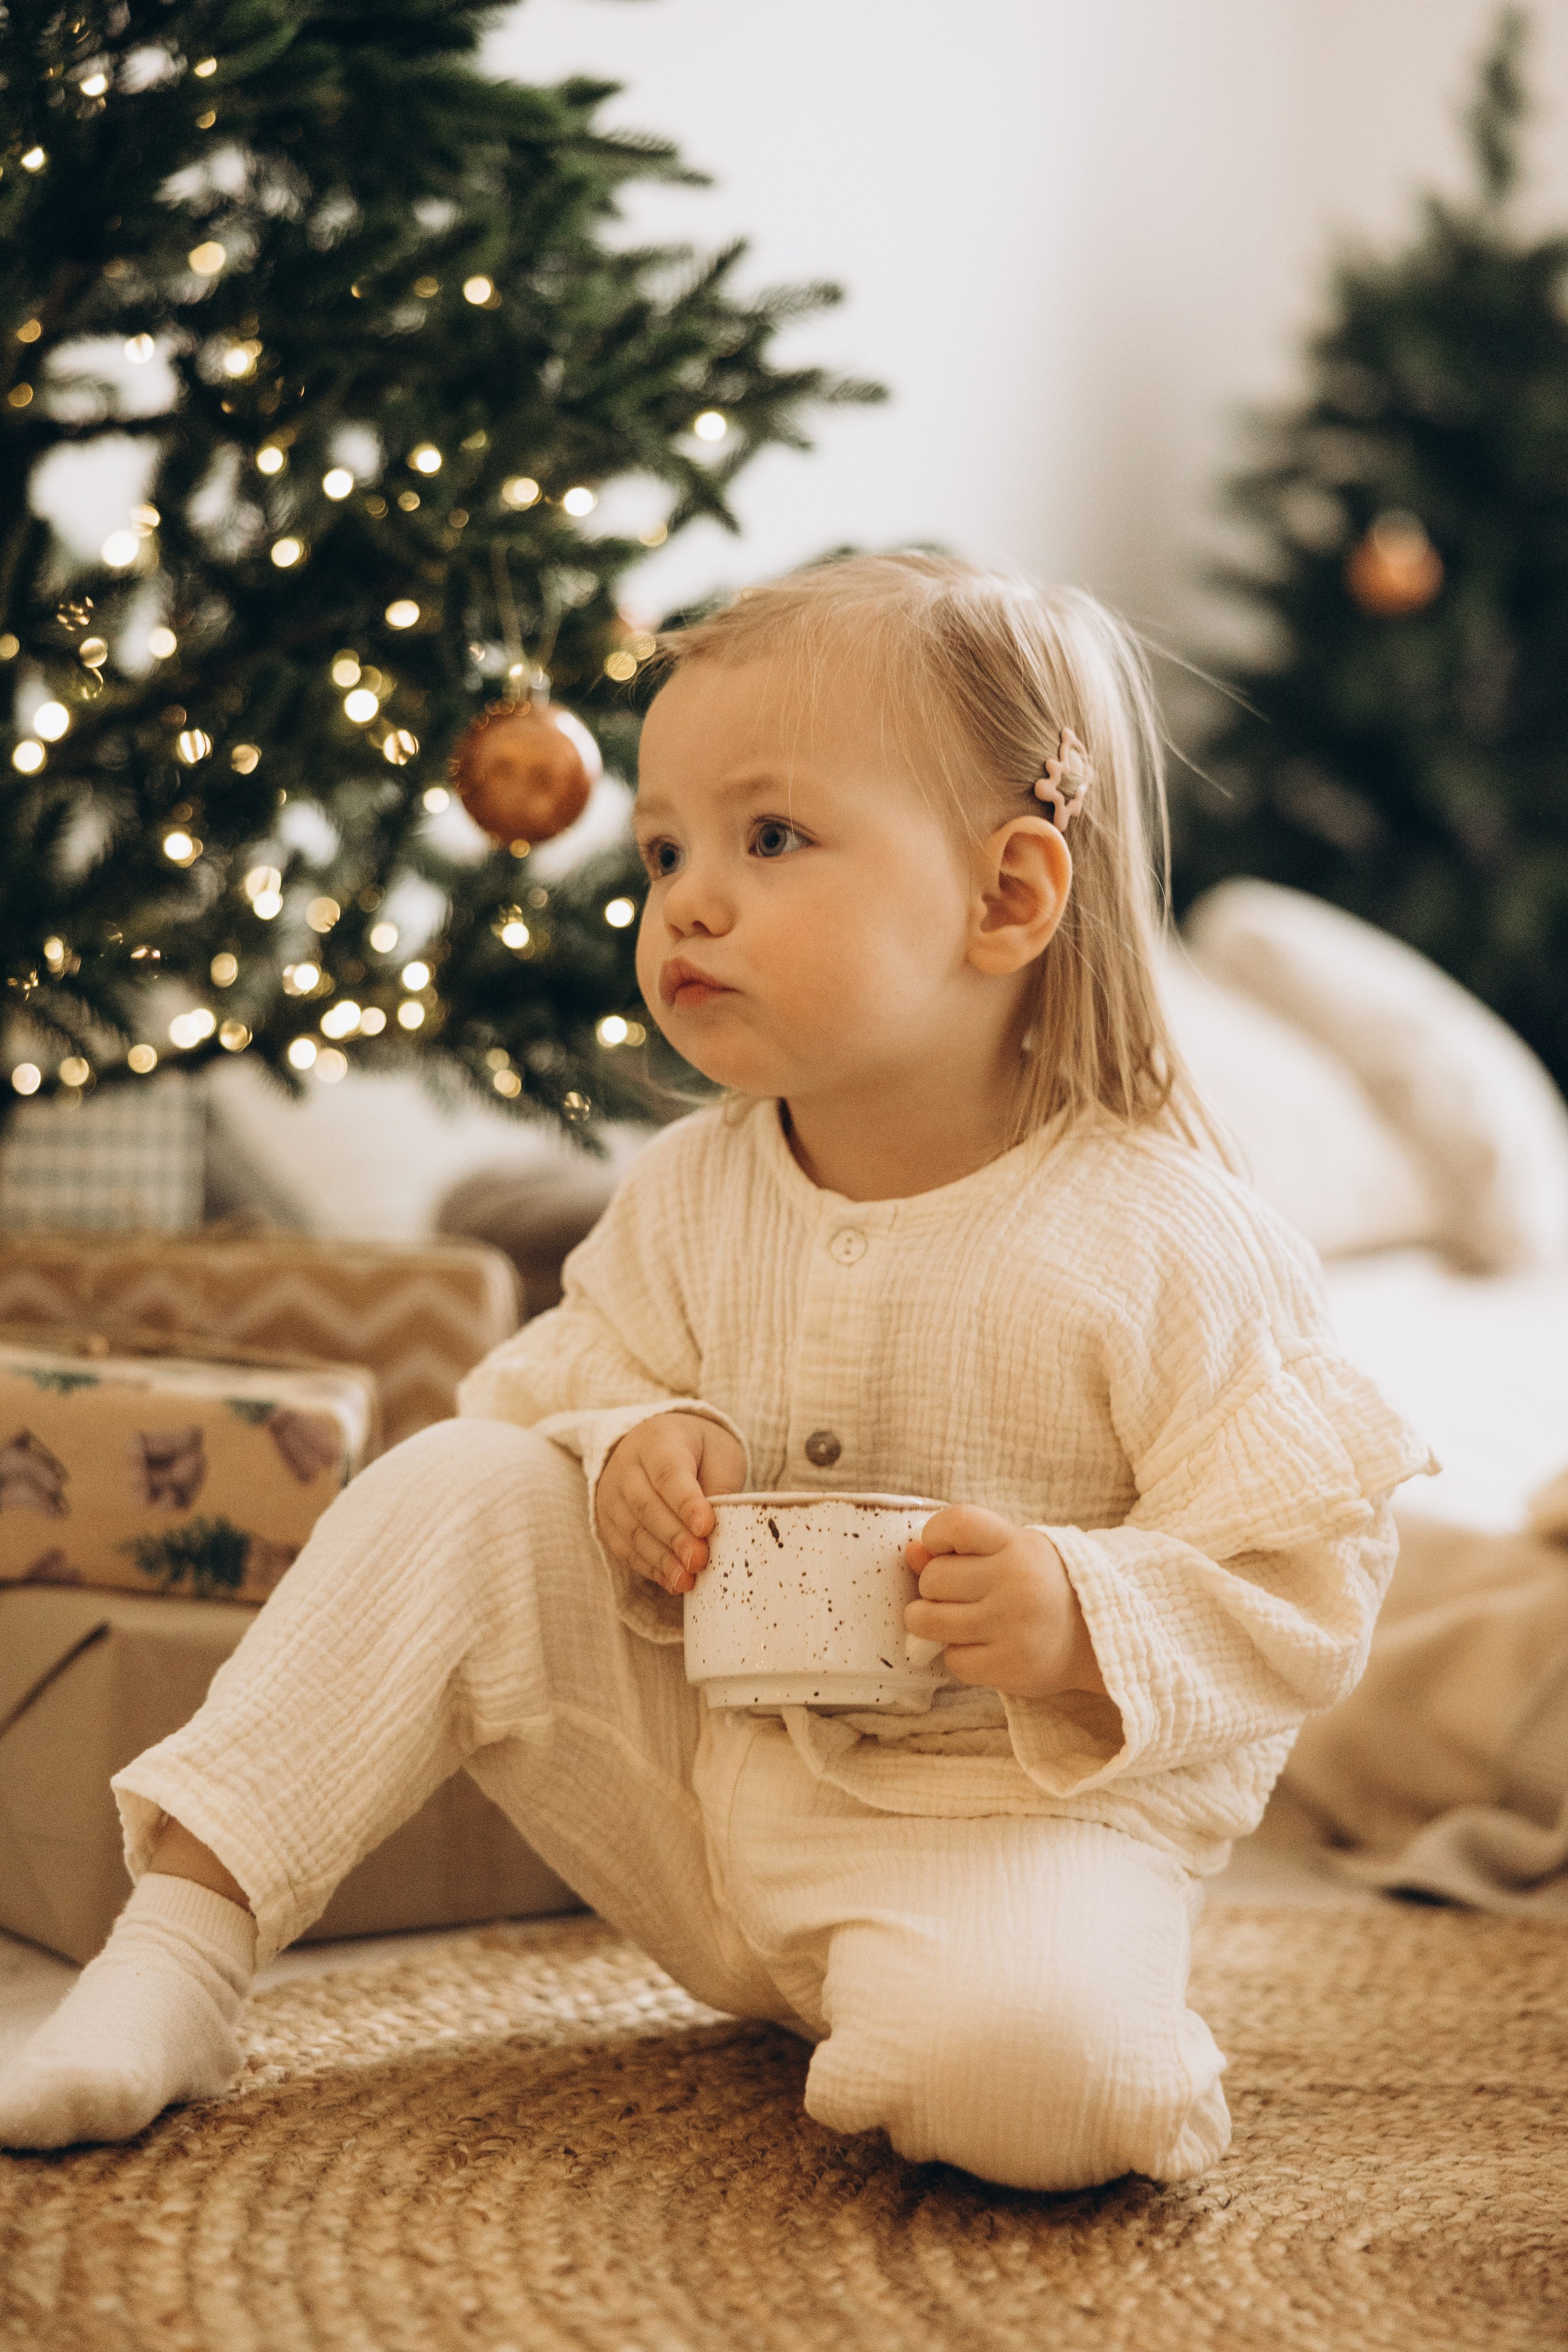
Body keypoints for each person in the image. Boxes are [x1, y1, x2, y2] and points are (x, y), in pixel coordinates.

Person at [0, 554, 1433, 2187]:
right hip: (692, 1801)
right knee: (459, 1479)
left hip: (1001, 1836)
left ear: (1008, 898)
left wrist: (1080, 1613)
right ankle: (176, 1959)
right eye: (666, 846)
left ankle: (981, 2012)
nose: (684, 898)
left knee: (1056, 2097)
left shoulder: (1169, 1237)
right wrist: (631, 1441)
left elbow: (1308, 1573)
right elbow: (558, 1380)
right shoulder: (691, 1186)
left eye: (771, 839)